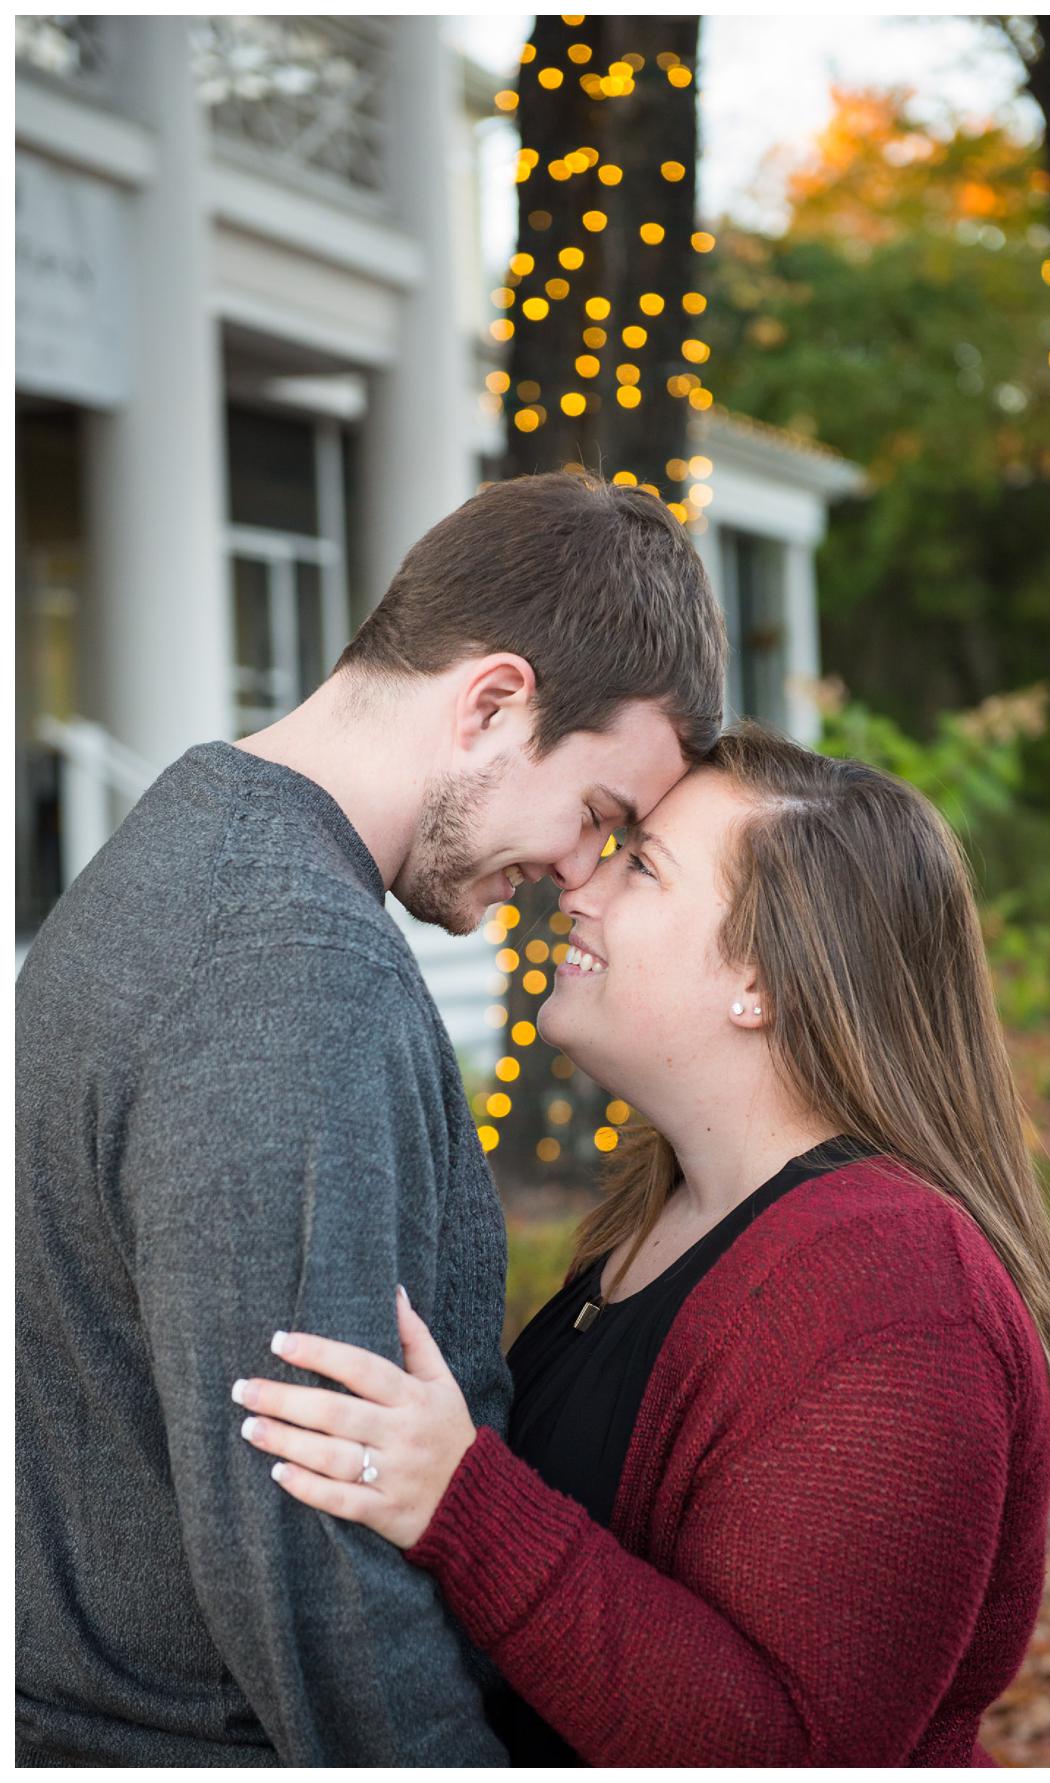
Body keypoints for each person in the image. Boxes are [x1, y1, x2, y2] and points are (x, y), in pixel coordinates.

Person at [16, 468, 725, 1764]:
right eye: (600, 815)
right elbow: (306, 1540)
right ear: (494, 701)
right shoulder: (291, 967)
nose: (579, 872)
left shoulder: (180, 841)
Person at [227, 724, 1050, 1766]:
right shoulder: (669, 1215)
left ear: (763, 982)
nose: (580, 885)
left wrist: (461, 1499)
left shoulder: (893, 1286)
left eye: (641, 865)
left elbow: (792, 1748)